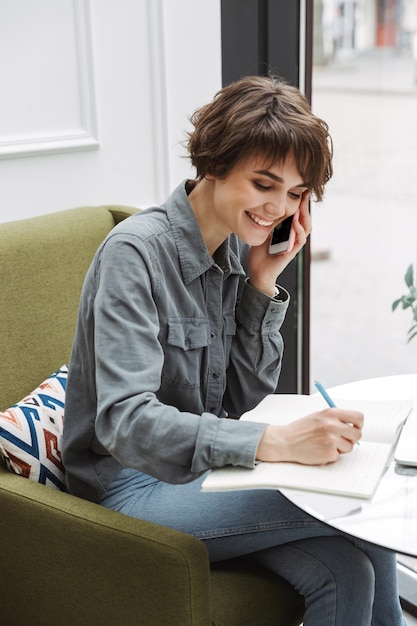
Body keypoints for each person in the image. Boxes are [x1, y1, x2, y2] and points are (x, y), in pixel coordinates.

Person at [62, 75, 405, 625]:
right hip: (127, 488)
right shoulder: (135, 255)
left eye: (295, 194)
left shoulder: (234, 251)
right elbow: (125, 423)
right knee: (354, 503)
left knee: (349, 567)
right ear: (215, 164)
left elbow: (241, 397)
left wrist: (262, 283)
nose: (277, 208)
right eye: (264, 184)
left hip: (204, 473)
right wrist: (276, 442)